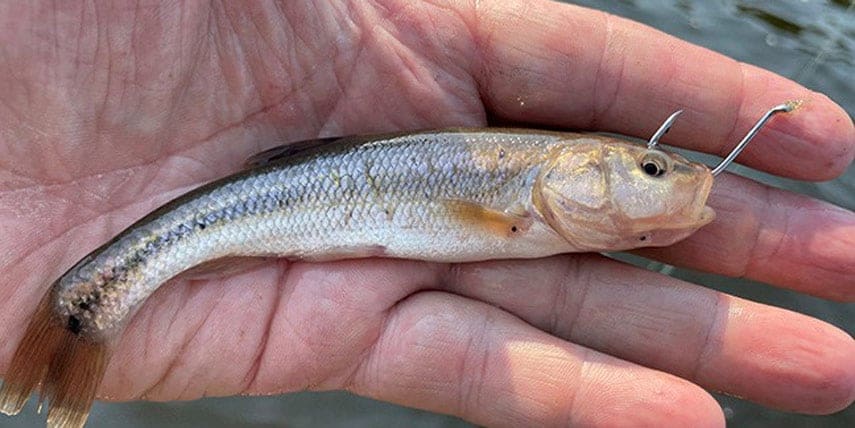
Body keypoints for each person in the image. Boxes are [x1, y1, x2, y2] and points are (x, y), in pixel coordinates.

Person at [0, 1, 852, 426]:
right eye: (649, 168)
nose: (668, 181)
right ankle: (85, 314)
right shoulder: (520, 199)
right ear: (574, 174)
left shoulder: (533, 204)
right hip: (267, 206)